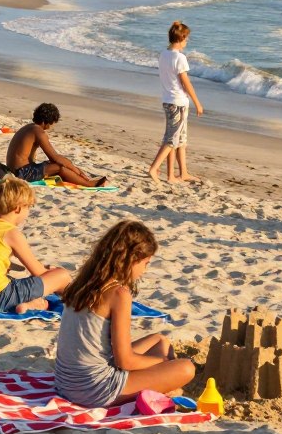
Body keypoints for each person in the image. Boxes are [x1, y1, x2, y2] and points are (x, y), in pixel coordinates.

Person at [55, 219, 195, 407]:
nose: (145, 270)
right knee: (186, 368)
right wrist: (161, 362)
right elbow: (125, 361)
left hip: (65, 383)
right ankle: (163, 387)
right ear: (131, 259)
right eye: (146, 263)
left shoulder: (83, 284)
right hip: (92, 390)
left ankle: (161, 384)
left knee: (160, 340)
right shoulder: (119, 294)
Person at [0, 175, 71, 314]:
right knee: (62, 276)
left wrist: (45, 271)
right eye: (28, 207)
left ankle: (33, 304)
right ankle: (80, 302)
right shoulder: (11, 233)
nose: (28, 212)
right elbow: (38, 272)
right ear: (18, 208)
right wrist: (50, 272)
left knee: (39, 289)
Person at [147, 21, 203, 182]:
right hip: (178, 103)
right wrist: (197, 103)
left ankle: (177, 174)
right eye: (187, 39)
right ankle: (153, 168)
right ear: (182, 38)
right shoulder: (180, 58)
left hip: (168, 100)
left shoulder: (164, 54)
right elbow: (186, 82)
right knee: (172, 140)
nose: (187, 42)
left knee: (180, 140)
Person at [6, 103, 107, 187]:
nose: (52, 126)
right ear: (46, 121)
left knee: (51, 164)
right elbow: (54, 157)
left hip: (16, 169)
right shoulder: (39, 132)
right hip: (22, 173)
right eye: (52, 123)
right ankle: (89, 184)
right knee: (59, 167)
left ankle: (81, 179)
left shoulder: (29, 127)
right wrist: (76, 170)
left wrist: (73, 168)